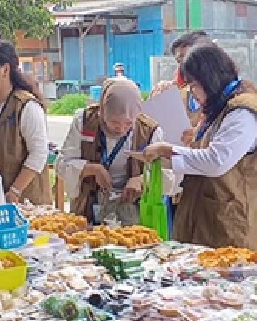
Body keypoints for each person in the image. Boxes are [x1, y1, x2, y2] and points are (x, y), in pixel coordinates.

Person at [142, 44, 257, 253]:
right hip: (207, 220)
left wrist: (168, 150)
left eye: (193, 85)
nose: (191, 92)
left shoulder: (243, 112)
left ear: (209, 79)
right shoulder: (221, 106)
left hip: (233, 227)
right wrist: (193, 142)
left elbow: (216, 161)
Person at [56, 78, 176, 225]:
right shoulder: (84, 120)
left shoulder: (150, 130)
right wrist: (92, 169)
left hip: (133, 213)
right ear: (102, 111)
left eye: (128, 123)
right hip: (88, 207)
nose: (120, 128)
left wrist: (141, 180)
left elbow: (168, 177)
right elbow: (61, 165)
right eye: (114, 122)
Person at [0, 40, 52, 205]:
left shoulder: (27, 106)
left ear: (5, 69)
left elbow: (39, 153)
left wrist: (15, 191)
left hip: (27, 203)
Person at [150, 30, 211, 146]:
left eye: (189, 58)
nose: (184, 65)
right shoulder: (178, 90)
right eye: (179, 61)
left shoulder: (230, 94)